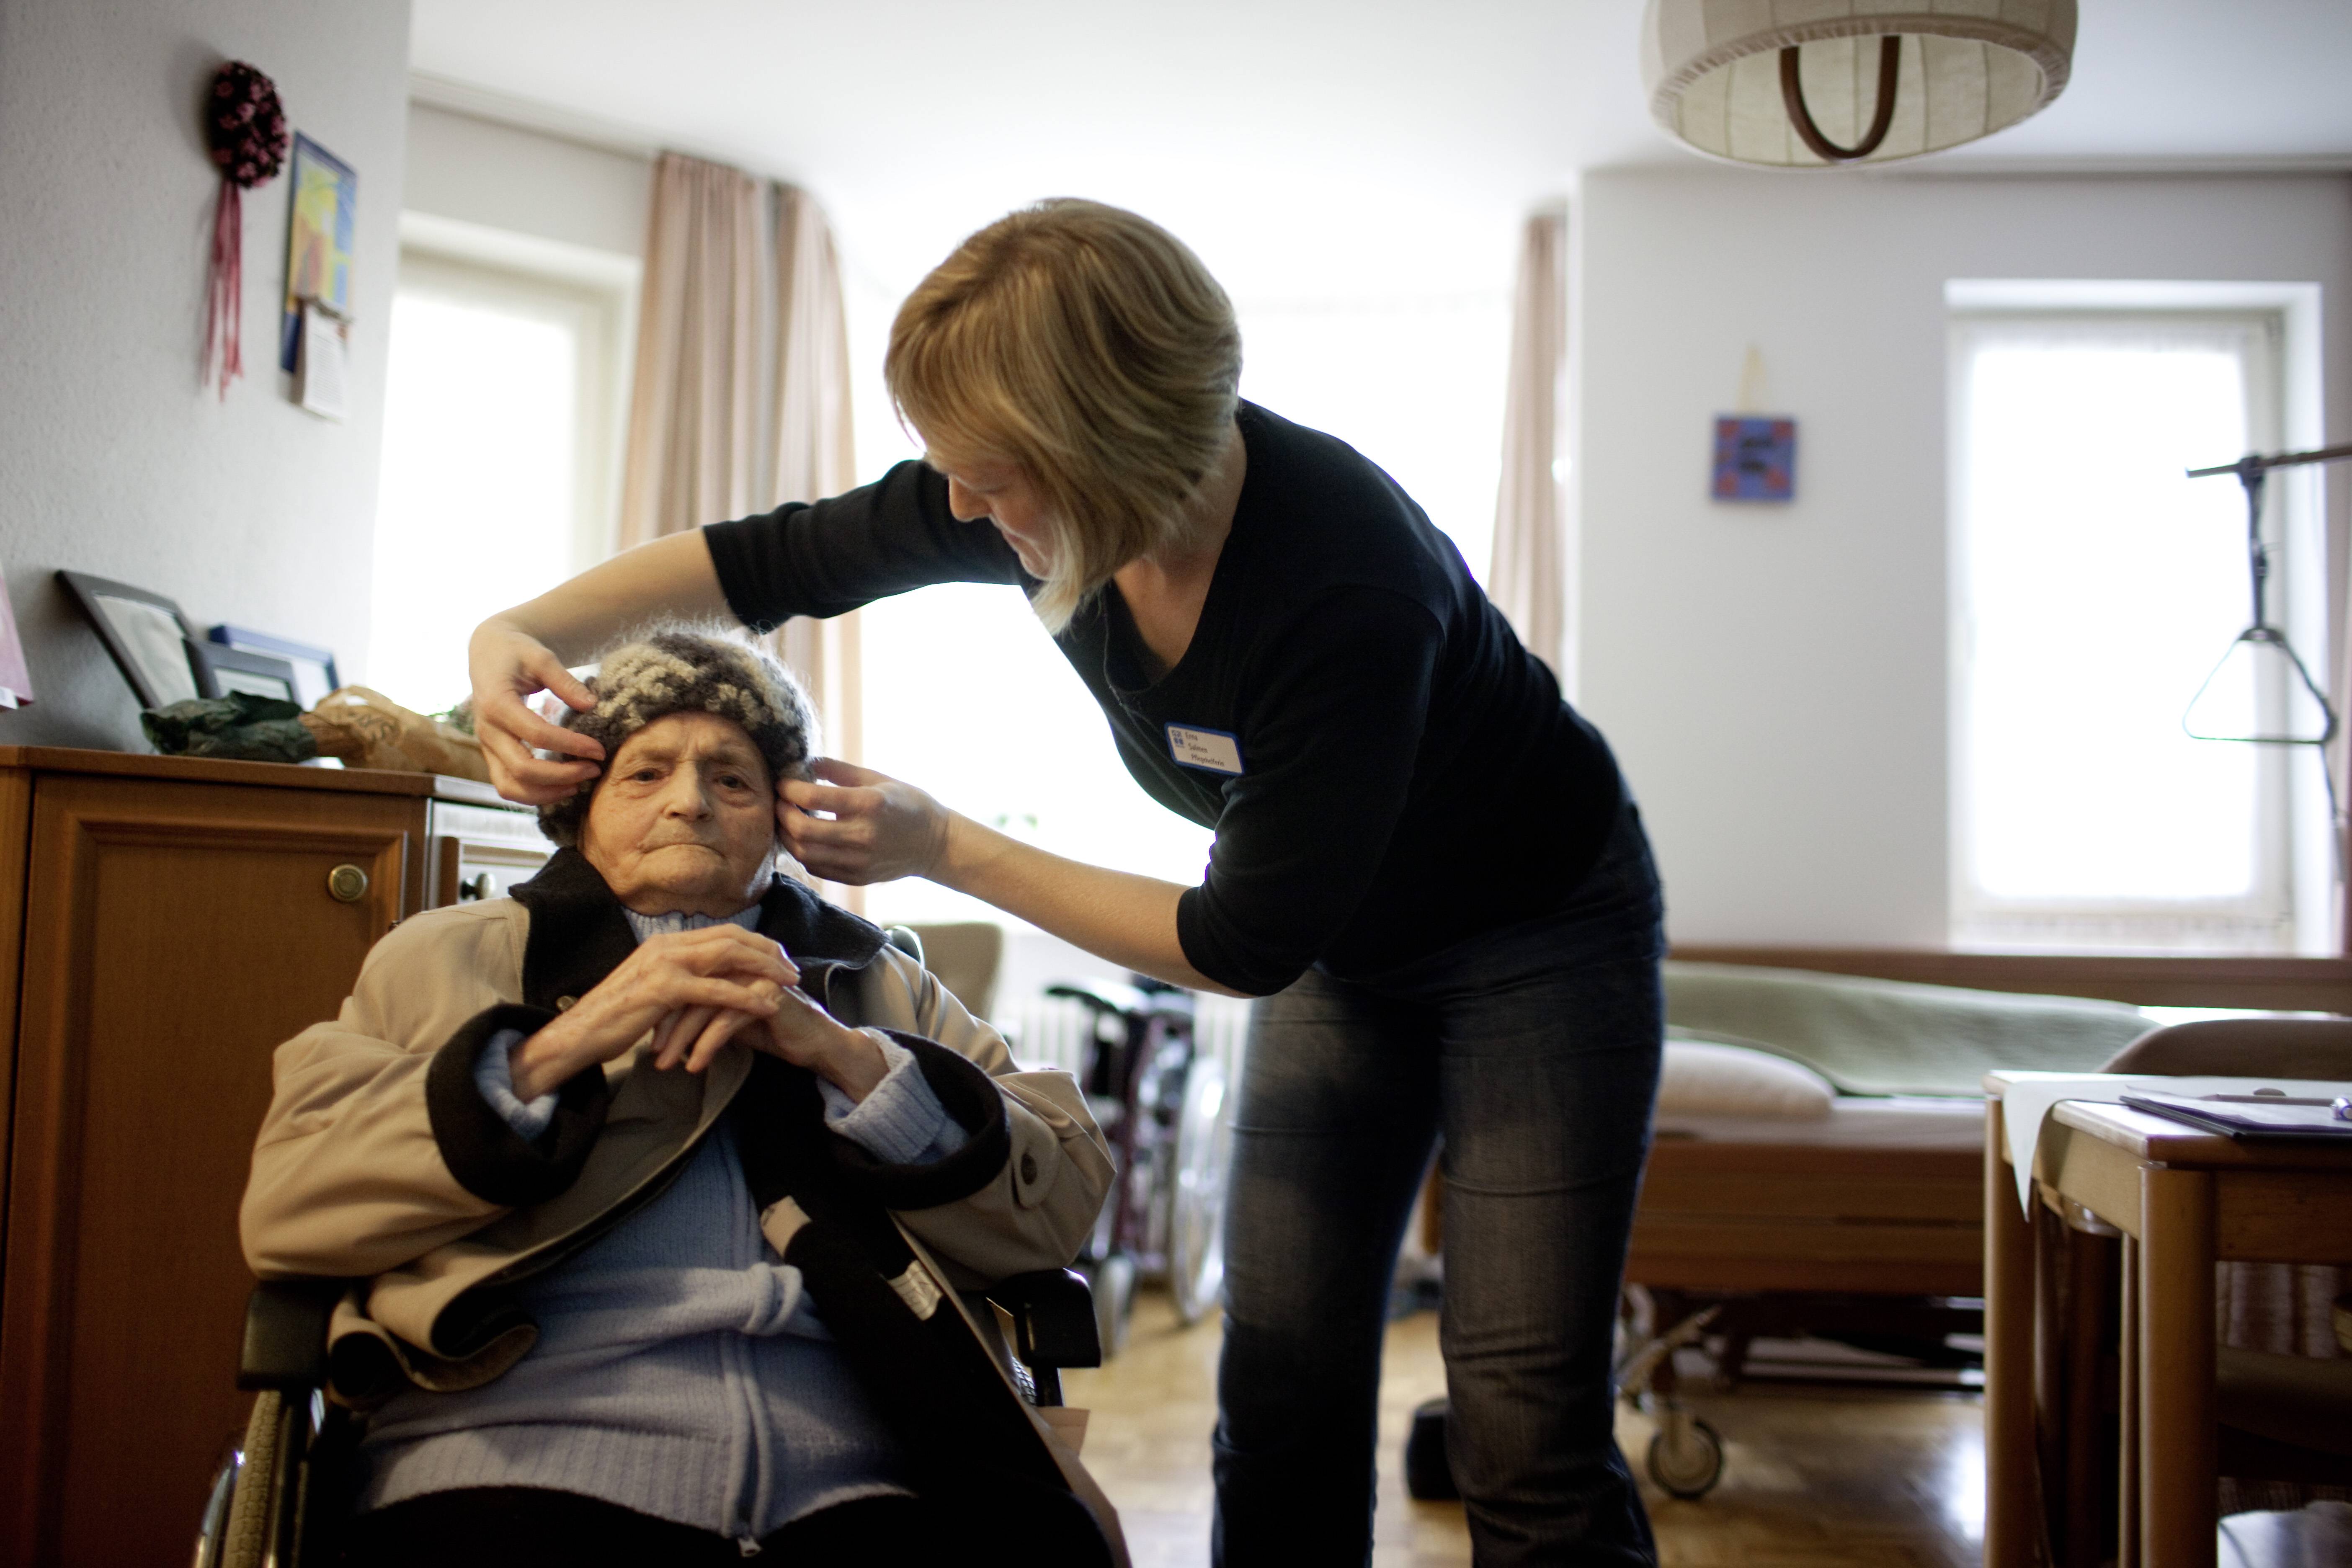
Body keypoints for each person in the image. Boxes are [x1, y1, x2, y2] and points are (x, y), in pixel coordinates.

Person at [469, 200, 1664, 1566]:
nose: (962, 510)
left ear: (1115, 451)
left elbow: (1238, 939)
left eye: (990, 479)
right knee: (1278, 1375)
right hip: (1339, 948)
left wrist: (946, 846)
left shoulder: (1345, 590)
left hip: (1535, 938)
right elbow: (769, 559)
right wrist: (519, 628)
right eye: (951, 475)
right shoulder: (1042, 498)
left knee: (1519, 1413)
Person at [241, 629, 1123, 1568]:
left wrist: (844, 1058)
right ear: (580, 807)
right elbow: (293, 1204)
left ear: (783, 824)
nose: (691, 801)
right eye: (645, 773)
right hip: (509, 1457)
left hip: (863, 1473)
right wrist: (571, 1040)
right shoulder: (447, 955)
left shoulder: (877, 981)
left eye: (733, 780)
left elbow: (1059, 1203)